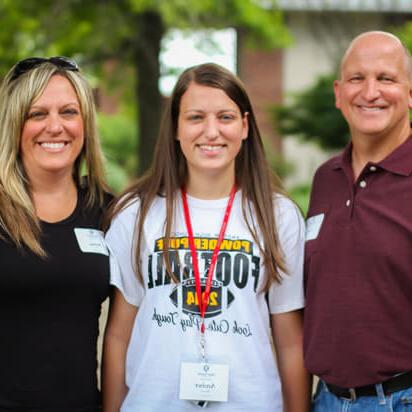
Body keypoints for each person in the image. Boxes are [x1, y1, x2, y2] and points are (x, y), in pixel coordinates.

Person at [102, 62, 310, 412]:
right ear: (175, 128)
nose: (211, 132)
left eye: (225, 118)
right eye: (196, 117)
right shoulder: (136, 215)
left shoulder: (278, 217)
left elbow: (290, 343)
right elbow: (119, 337)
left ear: (245, 126)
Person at [304, 31, 412, 411]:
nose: (370, 92)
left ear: (411, 92)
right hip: (326, 400)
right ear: (338, 93)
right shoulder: (326, 179)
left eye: (386, 78)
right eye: (356, 79)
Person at [0, 57, 111, 411]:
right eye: (37, 114)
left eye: (68, 112)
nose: (55, 126)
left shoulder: (109, 212)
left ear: (85, 124)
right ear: (15, 124)